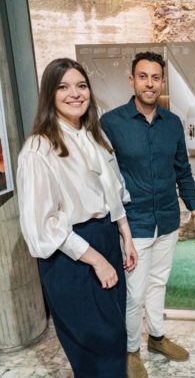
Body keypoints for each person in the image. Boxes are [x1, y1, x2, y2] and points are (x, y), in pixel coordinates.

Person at [17, 58, 137, 377]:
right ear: (49, 94)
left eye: (81, 86)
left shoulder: (95, 136)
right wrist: (96, 260)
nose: (75, 94)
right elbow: (41, 227)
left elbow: (114, 190)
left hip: (106, 237)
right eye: (63, 87)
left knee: (115, 336)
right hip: (71, 252)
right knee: (98, 342)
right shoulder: (39, 148)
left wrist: (125, 236)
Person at [100, 51, 195, 378]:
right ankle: (131, 350)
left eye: (156, 77)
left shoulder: (172, 123)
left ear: (162, 82)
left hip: (168, 220)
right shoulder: (111, 123)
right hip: (134, 226)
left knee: (159, 283)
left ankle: (157, 338)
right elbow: (106, 179)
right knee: (135, 294)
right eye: (143, 76)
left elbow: (183, 171)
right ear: (132, 80)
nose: (150, 83)